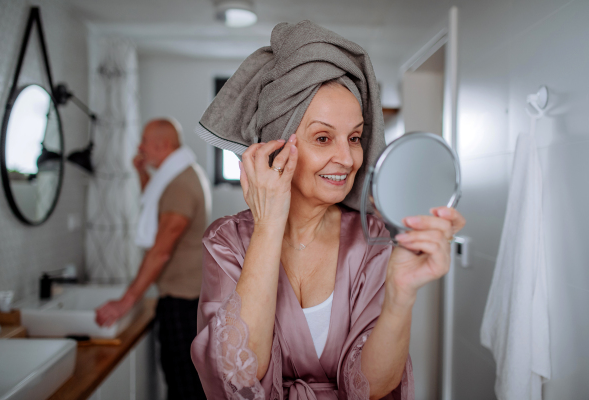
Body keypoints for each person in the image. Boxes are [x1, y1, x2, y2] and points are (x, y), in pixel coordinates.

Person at [190, 21, 465, 400]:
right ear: (276, 146)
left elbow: (370, 387)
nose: (348, 157)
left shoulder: (373, 240)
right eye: (323, 137)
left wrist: (401, 295)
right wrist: (269, 225)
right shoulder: (226, 242)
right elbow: (239, 375)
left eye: (355, 138)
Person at [96, 118, 211, 400]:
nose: (140, 147)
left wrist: (126, 301)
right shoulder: (180, 175)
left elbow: (160, 250)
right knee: (187, 381)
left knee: (183, 385)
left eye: (144, 142)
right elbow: (159, 201)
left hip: (183, 302)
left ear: (162, 145)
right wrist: (141, 172)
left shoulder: (181, 185)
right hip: (189, 297)